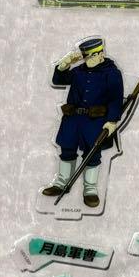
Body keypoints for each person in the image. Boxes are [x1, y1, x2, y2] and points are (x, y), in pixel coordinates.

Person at [42, 37, 123, 207]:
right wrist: (64, 64)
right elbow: (58, 80)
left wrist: (112, 121)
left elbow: (116, 99)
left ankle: (90, 189)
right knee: (67, 149)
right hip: (73, 119)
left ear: (101, 54)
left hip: (95, 121)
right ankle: (62, 182)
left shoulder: (112, 73)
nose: (88, 60)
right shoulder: (78, 71)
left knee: (92, 154)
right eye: (86, 57)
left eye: (92, 56)